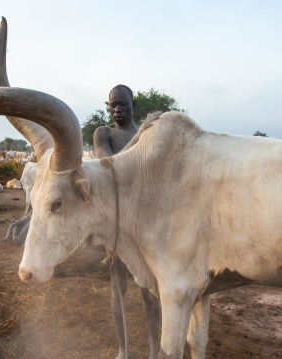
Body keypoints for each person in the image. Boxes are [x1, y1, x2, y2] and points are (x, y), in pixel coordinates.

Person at [94, 85, 160, 359]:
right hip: (118, 223)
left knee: (151, 293)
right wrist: (143, 132)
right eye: (112, 105)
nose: (117, 110)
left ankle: (155, 350)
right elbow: (108, 165)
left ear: (133, 103)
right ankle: (123, 349)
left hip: (146, 223)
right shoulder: (104, 133)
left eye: (122, 104)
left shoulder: (147, 134)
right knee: (118, 288)